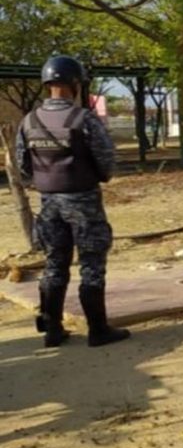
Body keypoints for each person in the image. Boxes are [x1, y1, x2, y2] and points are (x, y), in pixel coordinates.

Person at [15, 55, 130, 348]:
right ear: (75, 84)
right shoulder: (84, 119)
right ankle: (98, 329)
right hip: (84, 201)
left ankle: (53, 330)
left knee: (54, 264)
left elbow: (23, 166)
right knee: (91, 263)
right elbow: (105, 161)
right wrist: (98, 177)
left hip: (48, 204)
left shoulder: (29, 121)